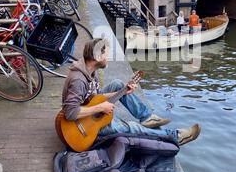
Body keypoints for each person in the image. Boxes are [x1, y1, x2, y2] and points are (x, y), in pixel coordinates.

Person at [61, 39, 201, 147]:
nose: (109, 57)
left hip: (87, 109)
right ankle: (176, 136)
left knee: (118, 85)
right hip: (81, 128)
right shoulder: (78, 80)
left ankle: (147, 117)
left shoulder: (90, 70)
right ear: (97, 57)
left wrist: (122, 92)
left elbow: (94, 98)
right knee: (131, 128)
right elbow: (70, 113)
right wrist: (101, 108)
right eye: (107, 54)